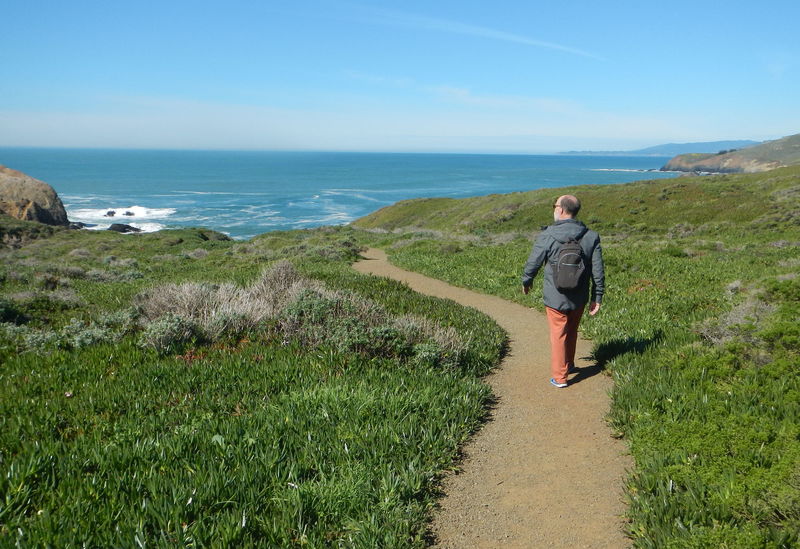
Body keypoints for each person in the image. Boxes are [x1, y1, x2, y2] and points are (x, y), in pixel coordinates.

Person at [521, 195, 604, 388]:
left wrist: (527, 281)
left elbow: (533, 262)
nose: (553, 209)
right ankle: (569, 365)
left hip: (555, 295)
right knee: (572, 330)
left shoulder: (548, 235)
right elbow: (598, 269)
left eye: (554, 206)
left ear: (561, 209)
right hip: (580, 295)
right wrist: (597, 296)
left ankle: (560, 377)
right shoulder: (591, 236)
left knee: (558, 333)